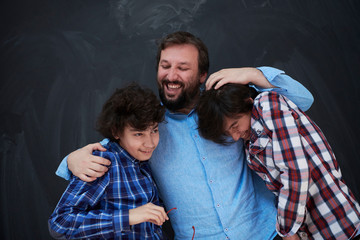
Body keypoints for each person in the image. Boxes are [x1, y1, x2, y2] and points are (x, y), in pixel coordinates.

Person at [55, 31, 314, 239]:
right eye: (165, 66)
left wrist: (253, 74)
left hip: (266, 233)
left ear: (202, 75)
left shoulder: (226, 109)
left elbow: (303, 99)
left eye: (183, 67)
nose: (171, 76)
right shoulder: (147, 125)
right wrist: (70, 160)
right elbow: (105, 154)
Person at [196, 82, 360, 240]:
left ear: (247, 103)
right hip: (308, 231)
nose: (235, 136)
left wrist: (286, 231)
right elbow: (281, 191)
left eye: (235, 125)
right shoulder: (249, 147)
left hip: (339, 224)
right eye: (228, 132)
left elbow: (295, 170)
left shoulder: (267, 103)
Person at [48, 83, 168, 239]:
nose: (150, 143)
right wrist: (128, 217)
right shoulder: (103, 162)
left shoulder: (142, 163)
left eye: (154, 130)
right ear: (116, 132)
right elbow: (60, 224)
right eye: (139, 134)